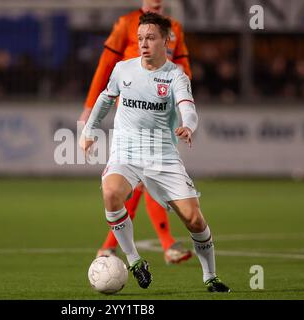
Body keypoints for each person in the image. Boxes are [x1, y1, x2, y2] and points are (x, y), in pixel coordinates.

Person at [80, 12, 230, 292]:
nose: (143, 43)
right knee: (111, 193)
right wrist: (89, 130)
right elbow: (105, 98)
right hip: (126, 151)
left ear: (166, 40)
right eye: (139, 38)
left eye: (150, 38)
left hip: (162, 155)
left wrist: (188, 125)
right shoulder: (124, 69)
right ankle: (135, 260)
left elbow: (189, 109)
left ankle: (210, 276)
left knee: (194, 220)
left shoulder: (175, 76)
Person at [80, 0, 193, 265]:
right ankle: (165, 245)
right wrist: (89, 108)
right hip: (132, 113)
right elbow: (106, 64)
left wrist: (185, 107)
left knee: (144, 181)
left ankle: (110, 247)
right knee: (144, 179)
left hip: (163, 113)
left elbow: (183, 69)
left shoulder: (174, 28)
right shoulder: (126, 23)